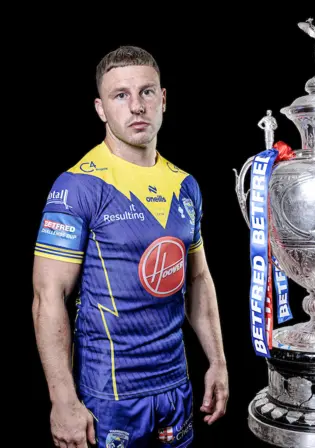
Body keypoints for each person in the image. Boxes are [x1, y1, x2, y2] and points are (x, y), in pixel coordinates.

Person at [32, 45, 229, 447]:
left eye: (146, 92)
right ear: (101, 108)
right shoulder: (78, 186)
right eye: (120, 95)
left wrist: (218, 362)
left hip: (176, 386)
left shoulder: (185, 185)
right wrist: (62, 400)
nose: (136, 106)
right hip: (108, 398)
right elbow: (47, 296)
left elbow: (198, 279)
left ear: (163, 99)